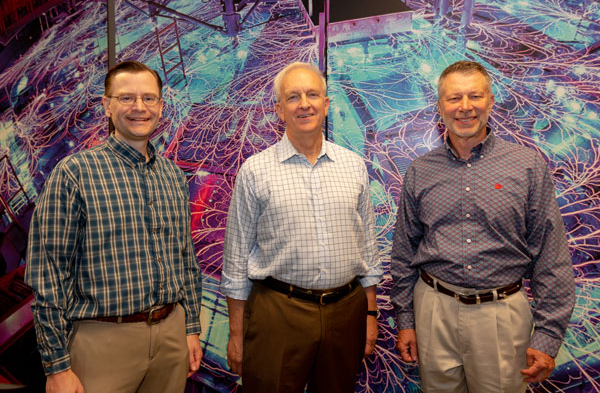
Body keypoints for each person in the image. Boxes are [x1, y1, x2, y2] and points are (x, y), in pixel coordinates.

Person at [391, 60, 575, 392]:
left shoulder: (527, 166)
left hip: (500, 316)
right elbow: (404, 252)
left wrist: (548, 335)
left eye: (475, 96)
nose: (464, 107)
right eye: (454, 98)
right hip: (433, 310)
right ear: (439, 106)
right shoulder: (420, 171)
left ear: (491, 101)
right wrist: (406, 321)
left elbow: (552, 257)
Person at [26, 60, 203, 393]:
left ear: (161, 106)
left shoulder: (174, 176)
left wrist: (191, 327)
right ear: (107, 106)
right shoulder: (74, 174)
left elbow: (186, 260)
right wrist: (56, 366)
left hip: (172, 335)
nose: (139, 107)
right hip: (102, 341)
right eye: (126, 98)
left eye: (149, 98)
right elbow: (47, 274)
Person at [221, 62, 383, 392]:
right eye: (293, 97)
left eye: (312, 94)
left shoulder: (353, 166)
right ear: (280, 110)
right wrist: (236, 335)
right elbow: (236, 261)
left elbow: (367, 248)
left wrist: (370, 314)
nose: (304, 104)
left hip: (346, 311)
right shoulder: (255, 171)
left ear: (326, 103)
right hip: (278, 313)